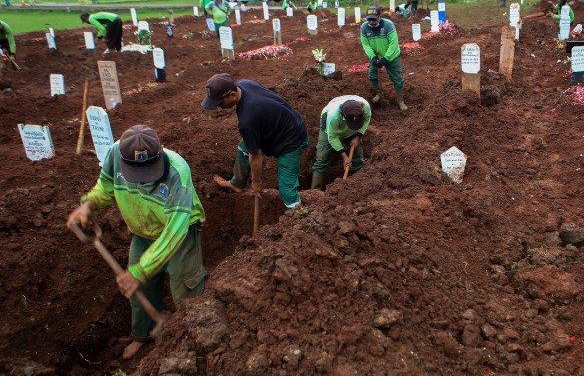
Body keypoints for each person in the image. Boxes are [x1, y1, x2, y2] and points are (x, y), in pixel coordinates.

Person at [67, 125, 207, 360]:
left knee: (186, 288)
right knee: (138, 288)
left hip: (179, 234)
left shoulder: (177, 173)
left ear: (160, 153)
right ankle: (141, 336)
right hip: (142, 232)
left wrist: (140, 270)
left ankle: (193, 339)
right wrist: (88, 204)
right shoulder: (114, 154)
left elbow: (174, 232)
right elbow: (106, 186)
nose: (143, 181)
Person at [202, 74, 309, 209]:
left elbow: (256, 156)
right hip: (278, 126)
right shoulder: (244, 84)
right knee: (244, 147)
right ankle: (236, 183)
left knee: (287, 189)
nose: (219, 107)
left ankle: (297, 214)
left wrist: (256, 182)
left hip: (292, 139)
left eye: (220, 103)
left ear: (233, 94)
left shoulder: (247, 119)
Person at [311, 95, 371, 189]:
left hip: (349, 129)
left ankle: (359, 186)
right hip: (329, 131)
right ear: (344, 116)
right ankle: (314, 193)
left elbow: (367, 119)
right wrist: (344, 156)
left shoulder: (364, 107)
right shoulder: (333, 117)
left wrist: (358, 137)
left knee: (357, 157)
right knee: (321, 160)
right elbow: (333, 137)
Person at [360, 6, 407, 111]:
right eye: (369, 19)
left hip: (391, 56)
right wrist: (372, 57)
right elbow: (366, 44)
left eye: (374, 19)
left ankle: (400, 101)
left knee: (397, 79)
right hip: (376, 56)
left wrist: (386, 58)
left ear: (379, 17)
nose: (371, 22)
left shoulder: (388, 25)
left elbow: (393, 43)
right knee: (372, 76)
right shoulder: (364, 27)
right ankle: (378, 93)